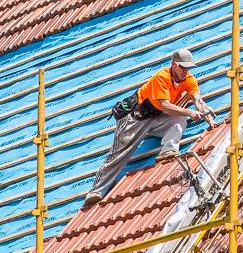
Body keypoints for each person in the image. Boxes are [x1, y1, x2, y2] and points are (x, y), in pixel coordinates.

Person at [84, 47, 216, 205]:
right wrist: (188, 112)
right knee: (119, 154)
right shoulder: (162, 77)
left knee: (179, 120)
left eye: (188, 67)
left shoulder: (189, 80)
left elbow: (198, 101)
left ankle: (168, 150)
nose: (185, 71)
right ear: (173, 64)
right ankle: (96, 190)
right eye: (182, 67)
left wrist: (207, 115)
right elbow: (166, 106)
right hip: (136, 118)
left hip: (157, 118)